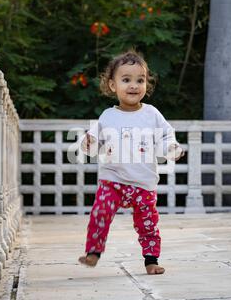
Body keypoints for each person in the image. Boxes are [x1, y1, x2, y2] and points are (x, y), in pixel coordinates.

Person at [78, 50, 185, 275]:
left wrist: (171, 149)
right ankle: (93, 252)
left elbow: (166, 136)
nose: (134, 85)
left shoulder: (152, 114)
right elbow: (94, 142)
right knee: (100, 212)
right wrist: (88, 144)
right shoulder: (107, 116)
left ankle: (151, 260)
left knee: (147, 223)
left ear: (147, 84)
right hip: (113, 180)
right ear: (113, 85)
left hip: (143, 182)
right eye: (126, 80)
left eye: (140, 80)